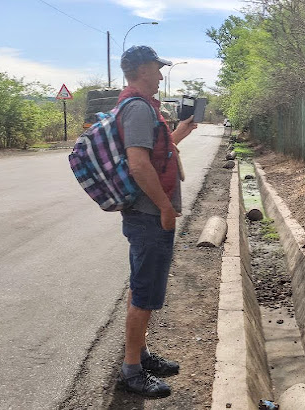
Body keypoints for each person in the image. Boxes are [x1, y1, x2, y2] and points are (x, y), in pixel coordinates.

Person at [116, 45, 197, 398]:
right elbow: (138, 165)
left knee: (143, 288)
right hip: (149, 216)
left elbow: (157, 154)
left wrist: (178, 134)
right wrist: (165, 207)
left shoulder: (146, 108)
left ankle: (142, 356)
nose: (161, 75)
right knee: (144, 293)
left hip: (152, 215)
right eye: (156, 68)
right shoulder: (136, 108)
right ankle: (131, 371)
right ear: (139, 69)